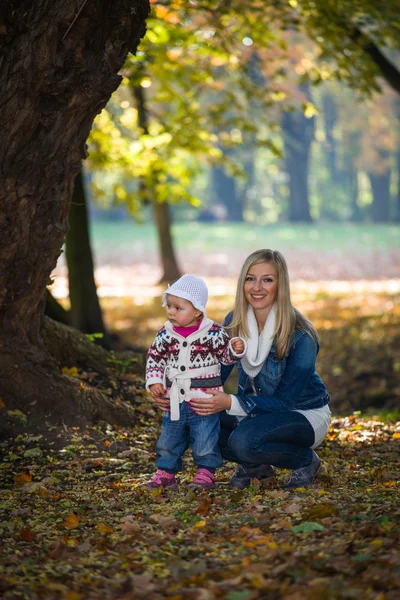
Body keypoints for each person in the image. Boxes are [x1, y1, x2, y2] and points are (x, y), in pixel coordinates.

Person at [188, 249, 331, 490]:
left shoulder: (301, 335)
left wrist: (230, 403)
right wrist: (178, 391)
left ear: (280, 285)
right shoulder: (235, 321)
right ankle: (255, 467)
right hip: (258, 413)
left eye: (267, 279)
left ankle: (306, 462)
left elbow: (285, 402)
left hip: (304, 414)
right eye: (250, 278)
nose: (257, 287)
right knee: (194, 417)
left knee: (244, 441)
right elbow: (215, 375)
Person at [142, 274, 246, 490]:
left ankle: (206, 473)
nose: (171, 311)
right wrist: (154, 381)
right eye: (169, 306)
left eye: (178, 308)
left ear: (197, 310)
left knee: (206, 437)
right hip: (175, 399)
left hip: (204, 401)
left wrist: (234, 350)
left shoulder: (213, 332)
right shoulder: (165, 333)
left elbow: (225, 358)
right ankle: (165, 473)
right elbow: (155, 358)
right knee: (169, 438)